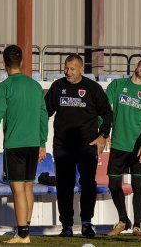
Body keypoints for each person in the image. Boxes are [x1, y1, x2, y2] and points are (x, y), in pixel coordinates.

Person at [0, 45, 48, 244]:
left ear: (4, 64)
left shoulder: (5, 87)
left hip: (15, 145)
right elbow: (43, 116)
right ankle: (25, 229)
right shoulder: (35, 86)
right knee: (28, 188)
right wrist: (42, 142)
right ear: (21, 62)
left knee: (18, 189)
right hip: (33, 144)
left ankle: (22, 234)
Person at [44, 54, 112, 238]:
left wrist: (103, 136)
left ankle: (86, 223)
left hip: (86, 145)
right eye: (66, 68)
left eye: (72, 68)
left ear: (81, 69)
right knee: (64, 186)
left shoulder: (92, 88)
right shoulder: (58, 86)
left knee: (87, 184)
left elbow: (107, 113)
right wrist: (38, 136)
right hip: (62, 146)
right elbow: (45, 112)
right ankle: (66, 225)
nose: (68, 72)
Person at [106, 57, 141, 236]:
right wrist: (103, 132)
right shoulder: (117, 85)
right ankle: (123, 220)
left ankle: (137, 225)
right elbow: (105, 110)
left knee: (137, 185)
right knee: (113, 184)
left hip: (138, 147)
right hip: (118, 144)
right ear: (137, 65)